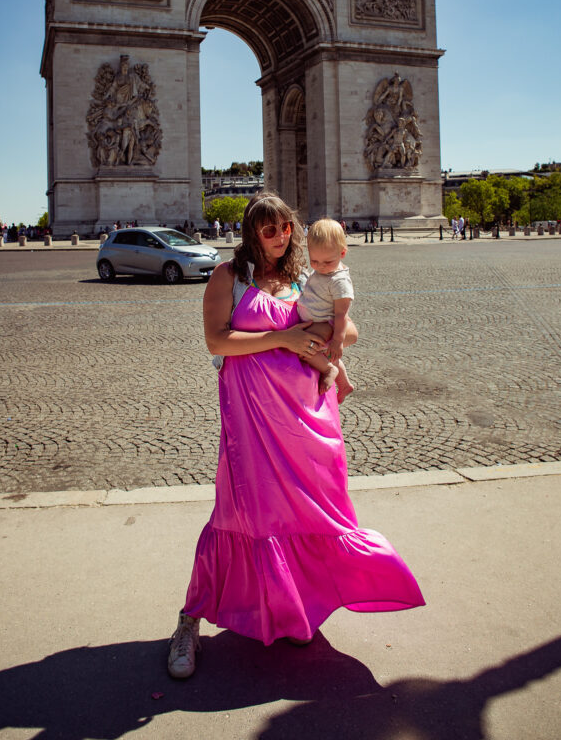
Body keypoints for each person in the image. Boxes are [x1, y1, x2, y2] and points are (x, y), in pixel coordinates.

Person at [167, 191, 424, 679]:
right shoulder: (229, 277)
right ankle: (189, 620)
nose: (281, 238)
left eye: (288, 228)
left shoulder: (308, 279)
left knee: (306, 512)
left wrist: (327, 329)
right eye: (269, 230)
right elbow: (215, 341)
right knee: (242, 511)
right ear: (251, 233)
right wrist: (283, 337)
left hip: (307, 415)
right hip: (252, 419)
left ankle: (291, 609)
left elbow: (350, 334)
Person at [297, 218, 355, 402]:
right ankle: (344, 384)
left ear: (342, 253)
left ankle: (329, 369)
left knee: (305, 349)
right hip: (316, 319)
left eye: (327, 262)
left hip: (324, 322)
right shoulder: (323, 270)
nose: (320, 267)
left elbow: (341, 314)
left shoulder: (339, 281)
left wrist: (338, 340)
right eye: (314, 261)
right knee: (327, 354)